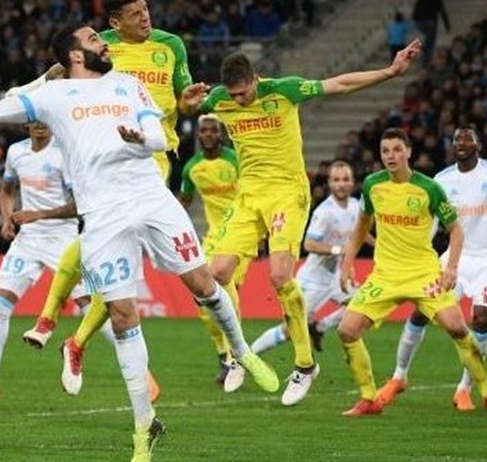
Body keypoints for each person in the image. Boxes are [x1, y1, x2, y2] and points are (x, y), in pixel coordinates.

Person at [0, 17, 279, 462]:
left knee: (204, 284)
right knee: (123, 316)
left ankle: (241, 351)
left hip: (150, 198)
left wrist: (137, 140)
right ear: (75, 54)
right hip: (102, 215)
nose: (103, 43)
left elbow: (156, 137)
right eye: (94, 39)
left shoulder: (127, 84)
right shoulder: (52, 96)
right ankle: (145, 426)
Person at [179, 38, 423, 406]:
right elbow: (183, 107)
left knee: (280, 276)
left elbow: (339, 83)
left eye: (244, 93)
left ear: (255, 79)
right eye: (234, 94)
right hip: (248, 195)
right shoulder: (220, 99)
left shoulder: (285, 90)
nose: (239, 100)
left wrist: (390, 71)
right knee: (217, 274)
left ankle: (305, 364)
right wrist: (185, 103)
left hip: (286, 192)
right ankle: (239, 353)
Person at [20, 0, 237, 397]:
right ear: (115, 22)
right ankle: (57, 328)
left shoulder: (171, 45)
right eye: (135, 13)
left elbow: (181, 100)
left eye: (146, 9)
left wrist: (189, 104)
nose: (145, 17)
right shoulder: (100, 48)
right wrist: (23, 91)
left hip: (153, 153)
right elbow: (55, 78)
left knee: (114, 260)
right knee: (110, 256)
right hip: (107, 153)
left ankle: (66, 335)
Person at [337, 128, 487, 417]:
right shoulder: (373, 185)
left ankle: (486, 395)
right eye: (385, 150)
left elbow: (455, 229)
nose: (391, 156)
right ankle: (371, 397)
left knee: (458, 327)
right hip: (386, 275)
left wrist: (450, 267)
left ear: (409, 152)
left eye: (397, 150)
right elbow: (362, 225)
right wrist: (348, 261)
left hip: (428, 271)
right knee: (347, 330)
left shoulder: (430, 187)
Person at [0, 122, 80, 404]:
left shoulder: (64, 153)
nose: (42, 126)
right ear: (27, 123)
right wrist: (7, 218)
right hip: (28, 240)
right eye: (36, 120)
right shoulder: (16, 152)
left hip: (63, 239)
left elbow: (79, 204)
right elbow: (6, 191)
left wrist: (40, 214)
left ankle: (140, 375)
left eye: (47, 120)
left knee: (90, 305)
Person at [251, 161, 372, 355]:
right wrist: (339, 250)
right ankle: (247, 356)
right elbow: (309, 244)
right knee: (289, 330)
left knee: (362, 304)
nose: (341, 184)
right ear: (329, 183)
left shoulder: (356, 206)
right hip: (313, 280)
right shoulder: (324, 212)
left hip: (335, 277)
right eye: (336, 180)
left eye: (345, 179)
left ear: (352, 182)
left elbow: (360, 232)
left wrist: (379, 245)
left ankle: (320, 327)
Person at [178, 114, 246, 391]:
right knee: (203, 301)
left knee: (227, 295)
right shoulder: (191, 168)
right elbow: (183, 203)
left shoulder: (235, 160)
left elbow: (252, 194)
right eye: (203, 130)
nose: (208, 134)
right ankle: (224, 354)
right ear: (198, 135)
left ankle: (237, 357)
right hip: (213, 239)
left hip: (240, 236)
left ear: (221, 134)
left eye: (213, 130)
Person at [412, 0, 451, 66]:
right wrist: (447, 26)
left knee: (429, 38)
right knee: (431, 41)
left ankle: (424, 49)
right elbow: (442, 12)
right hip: (431, 21)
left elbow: (415, 9)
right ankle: (426, 58)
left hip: (419, 21)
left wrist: (415, 20)